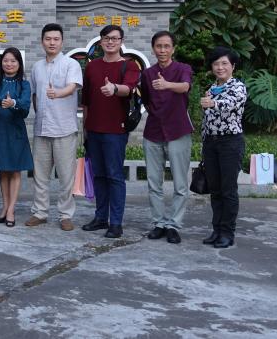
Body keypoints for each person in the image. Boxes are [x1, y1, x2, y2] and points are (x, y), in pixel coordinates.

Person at [81, 25, 141, 238]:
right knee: (98, 175)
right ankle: (100, 218)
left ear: (121, 41)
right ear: (100, 41)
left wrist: (114, 88)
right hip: (93, 129)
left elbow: (129, 88)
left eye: (115, 38)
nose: (110, 42)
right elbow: (86, 101)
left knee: (114, 176)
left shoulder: (130, 65)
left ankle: (116, 223)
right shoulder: (92, 66)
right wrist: (85, 129)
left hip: (116, 131)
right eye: (106, 38)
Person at [26, 23, 83, 231]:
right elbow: (34, 94)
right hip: (41, 128)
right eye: (48, 39)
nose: (52, 42)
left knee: (66, 176)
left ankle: (65, 215)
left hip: (64, 128)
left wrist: (57, 93)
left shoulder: (71, 64)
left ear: (62, 42)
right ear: (42, 41)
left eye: (56, 39)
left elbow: (72, 87)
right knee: (40, 175)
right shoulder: (37, 67)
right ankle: (40, 213)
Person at [139, 31, 193, 244]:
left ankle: (174, 225)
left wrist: (167, 85)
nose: (162, 50)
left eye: (166, 46)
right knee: (154, 182)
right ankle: (159, 223)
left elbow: (185, 87)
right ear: (153, 49)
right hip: (153, 132)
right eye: (158, 46)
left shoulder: (183, 69)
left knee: (180, 184)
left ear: (173, 48)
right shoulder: (147, 73)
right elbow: (145, 99)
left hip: (178, 131)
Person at [200, 47, 247, 249]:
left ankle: (228, 233)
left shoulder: (238, 87)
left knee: (228, 190)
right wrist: (204, 143)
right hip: (211, 143)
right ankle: (217, 230)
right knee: (215, 190)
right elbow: (207, 120)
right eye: (216, 64)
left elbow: (229, 104)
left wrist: (212, 103)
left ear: (233, 66)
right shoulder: (212, 88)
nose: (220, 67)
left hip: (230, 142)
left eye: (224, 63)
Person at [0, 47, 33, 228]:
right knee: (3, 170)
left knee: (15, 170)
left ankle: (11, 209)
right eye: (6, 60)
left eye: (13, 61)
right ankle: (4, 207)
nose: (9, 64)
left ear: (19, 64)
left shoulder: (24, 85)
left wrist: (13, 103)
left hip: (15, 130)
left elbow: (25, 107)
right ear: (1, 63)